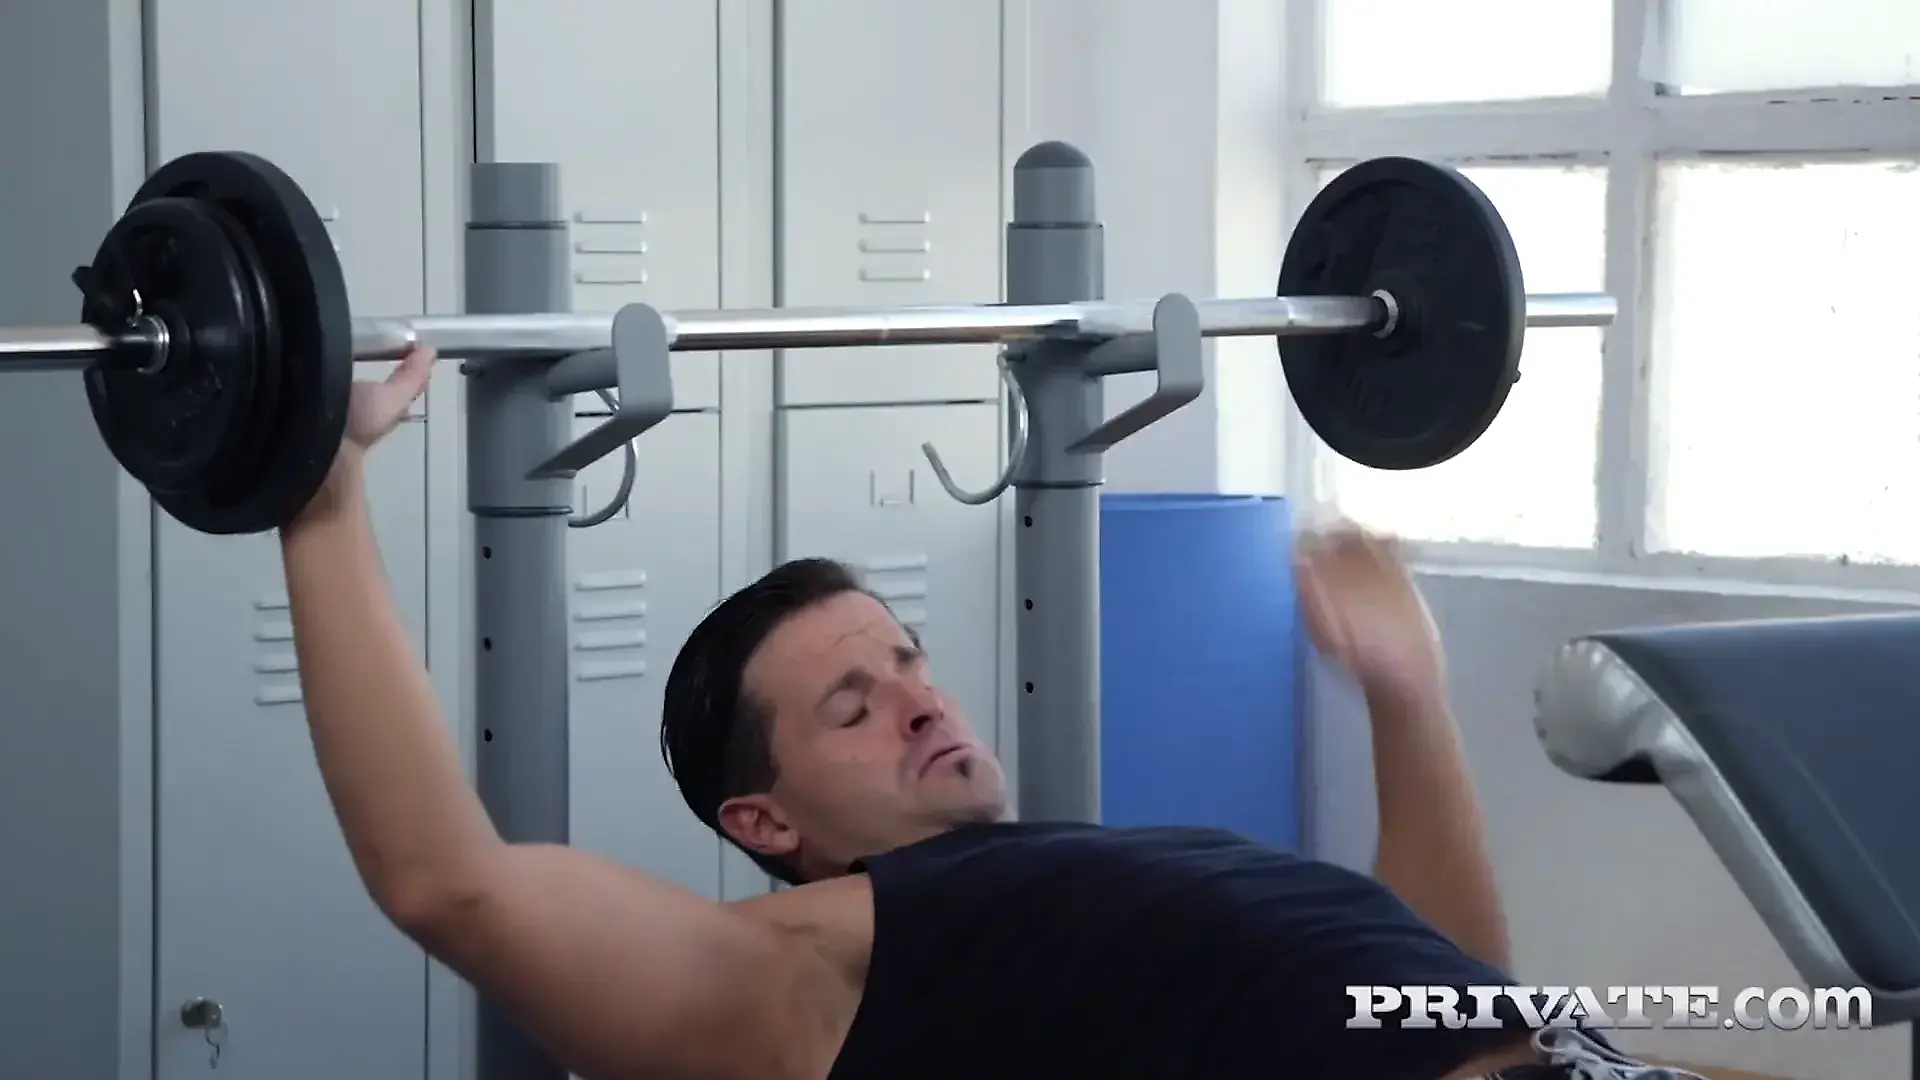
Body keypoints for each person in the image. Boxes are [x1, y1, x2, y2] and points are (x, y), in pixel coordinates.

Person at [283, 346, 1702, 1080]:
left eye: (909, 664)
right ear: (765, 823)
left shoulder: (1096, 871)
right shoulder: (809, 969)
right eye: (852, 707)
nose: (917, 703)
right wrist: (320, 492)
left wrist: (1405, 692)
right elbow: (450, 887)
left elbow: (1444, 982)